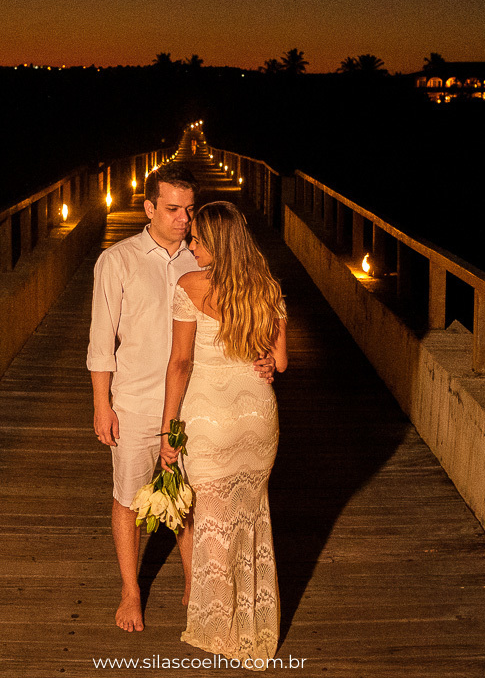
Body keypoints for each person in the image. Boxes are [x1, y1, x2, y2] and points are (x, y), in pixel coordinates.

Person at [88, 164, 276, 633]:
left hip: (196, 408)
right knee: (129, 499)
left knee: (191, 501)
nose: (183, 220)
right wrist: (101, 404)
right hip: (133, 400)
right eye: (172, 210)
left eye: (189, 211)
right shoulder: (118, 260)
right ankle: (131, 592)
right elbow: (100, 342)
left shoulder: (204, 260)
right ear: (149, 207)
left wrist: (263, 359)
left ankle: (196, 587)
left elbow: (236, 321)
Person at [159, 200, 287, 667]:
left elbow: (180, 363)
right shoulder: (267, 287)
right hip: (257, 417)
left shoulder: (190, 287)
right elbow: (282, 362)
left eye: (196, 240)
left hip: (208, 423)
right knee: (252, 522)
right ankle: (256, 630)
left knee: (212, 526)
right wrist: (268, 364)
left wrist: (169, 430)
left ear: (217, 243)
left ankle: (221, 632)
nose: (189, 246)